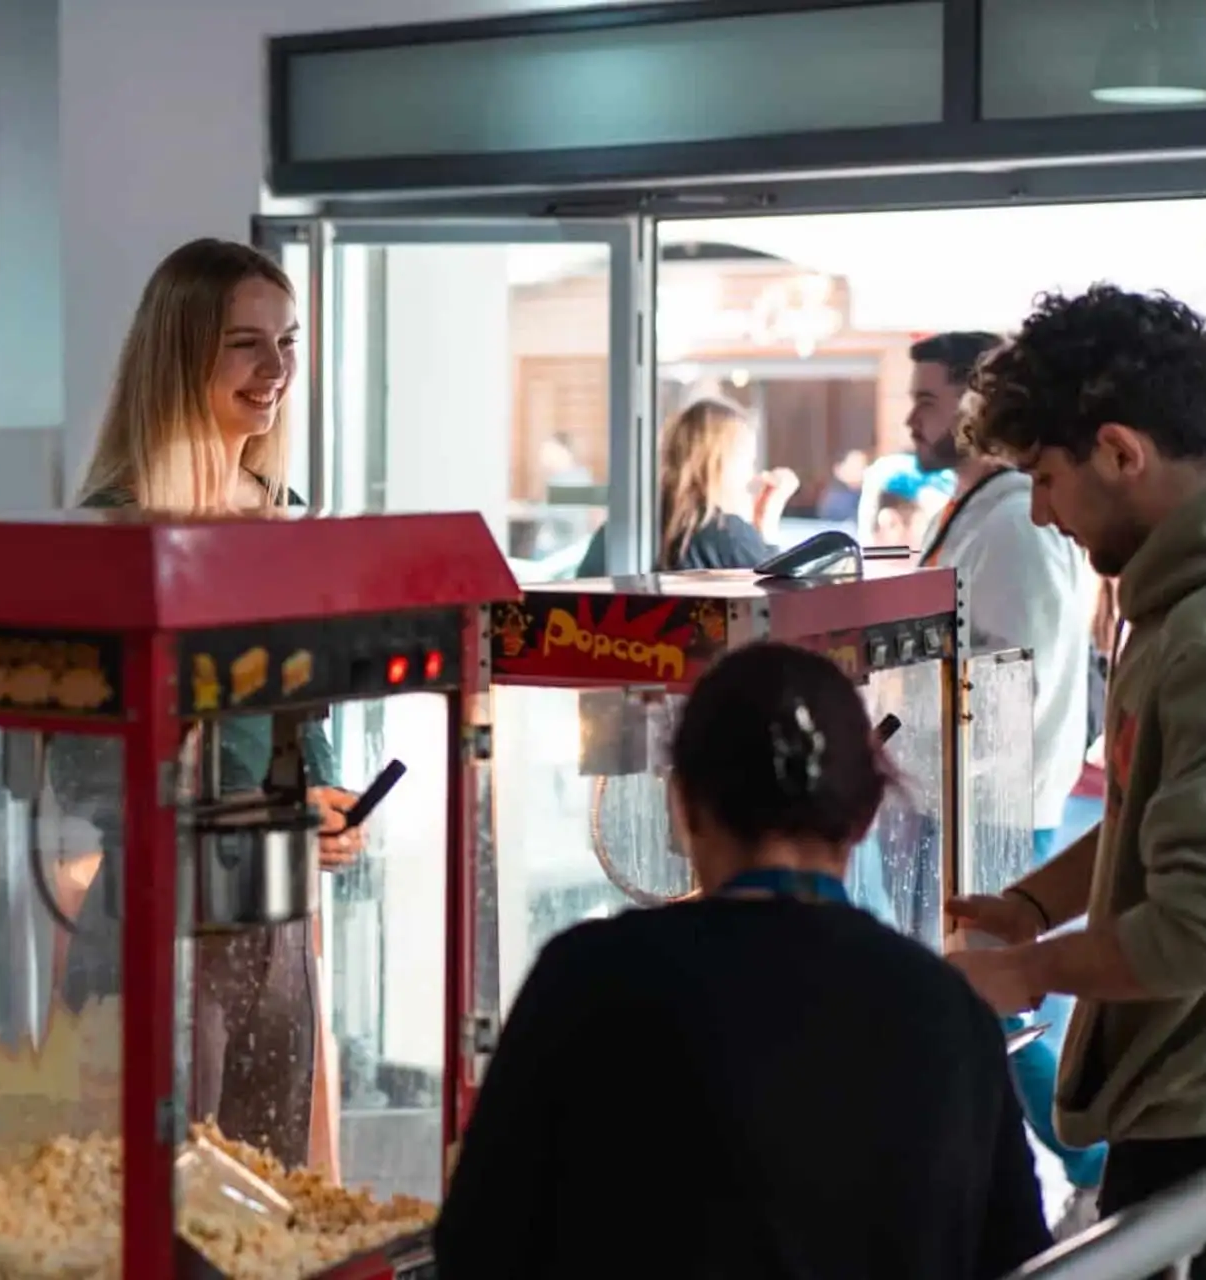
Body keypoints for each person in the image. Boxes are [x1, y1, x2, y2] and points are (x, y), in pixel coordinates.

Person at [437, 642, 1050, 1276]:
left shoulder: (587, 980)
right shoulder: (949, 1013)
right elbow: (1022, 1263)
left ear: (683, 806)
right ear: (866, 814)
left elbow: (475, 1247)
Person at [61, 237, 365, 1169]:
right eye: (246, 343)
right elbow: (83, 768)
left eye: (288, 342)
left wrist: (327, 801)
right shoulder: (108, 530)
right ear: (181, 350)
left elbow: (298, 720)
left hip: (276, 921)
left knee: (269, 1205)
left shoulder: (288, 513)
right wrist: (266, 807)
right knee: (155, 1205)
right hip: (159, 909)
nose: (275, 371)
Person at [948, 285, 1206, 1273]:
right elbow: (1156, 808)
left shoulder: (1192, 632)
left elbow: (1191, 924)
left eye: (1044, 479)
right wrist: (1032, 902)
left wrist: (1022, 973)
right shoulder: (1162, 602)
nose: (1042, 514)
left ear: (1120, 451)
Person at [907, 330, 1106, 1225]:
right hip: (963, 799)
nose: (912, 415)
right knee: (993, 1004)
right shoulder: (982, 512)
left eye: (930, 399)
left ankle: (1092, 1166)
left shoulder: (1016, 525)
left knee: (1003, 1007)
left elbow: (1002, 686)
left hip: (990, 804)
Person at [575, 398, 798, 576]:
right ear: (719, 463)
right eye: (747, 461)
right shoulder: (728, 535)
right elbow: (778, 606)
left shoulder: (619, 530)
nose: (751, 475)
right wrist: (767, 530)